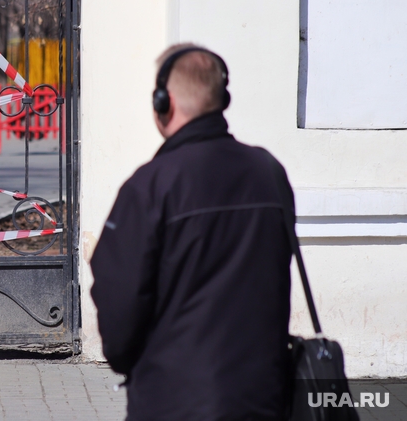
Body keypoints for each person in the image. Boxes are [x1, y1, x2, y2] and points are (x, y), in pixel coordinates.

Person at [90, 43, 294, 420]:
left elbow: (120, 299)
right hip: (264, 396)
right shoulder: (269, 172)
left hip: (173, 401)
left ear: (163, 101)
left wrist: (125, 359)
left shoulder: (150, 187)